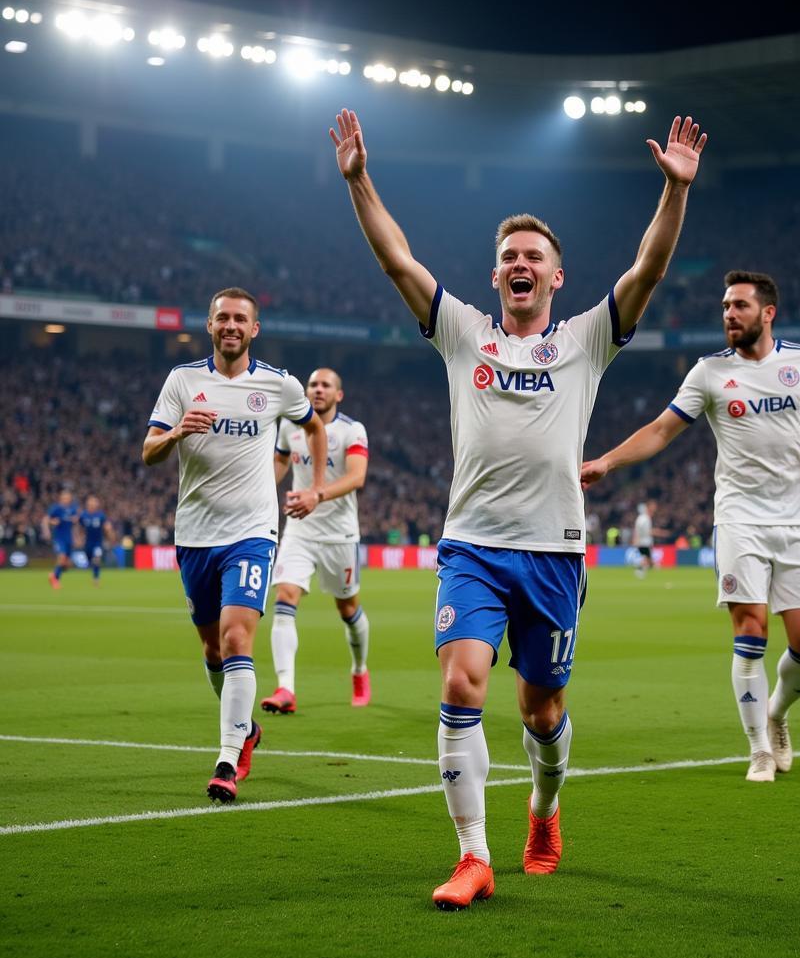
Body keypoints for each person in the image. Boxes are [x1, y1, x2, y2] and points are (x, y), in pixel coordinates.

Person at [330, 107, 707, 909]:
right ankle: (473, 856)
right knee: (462, 685)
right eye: (509, 258)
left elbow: (648, 270)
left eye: (534, 255)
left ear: (556, 277)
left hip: (555, 552)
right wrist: (361, 179)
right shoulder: (463, 332)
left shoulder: (586, 340)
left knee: (542, 710)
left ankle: (544, 808)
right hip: (472, 545)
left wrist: (673, 194)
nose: (520, 264)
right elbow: (397, 259)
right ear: (496, 276)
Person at [582, 271, 800, 783]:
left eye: (739, 306)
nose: (729, 314)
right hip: (738, 519)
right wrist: (608, 462)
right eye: (725, 307)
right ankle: (757, 749)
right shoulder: (709, 373)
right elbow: (662, 430)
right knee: (749, 632)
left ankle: (775, 714)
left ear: (767, 312)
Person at [143, 287, 327, 802]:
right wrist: (178, 431)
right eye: (222, 317)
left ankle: (227, 759)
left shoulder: (277, 384)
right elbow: (148, 451)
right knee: (211, 649)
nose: (230, 325)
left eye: (240, 319)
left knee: (236, 640)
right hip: (195, 534)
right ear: (209, 326)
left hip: (252, 532)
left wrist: (311, 486)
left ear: (254, 329)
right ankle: (246, 728)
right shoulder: (182, 381)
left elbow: (313, 428)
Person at [261, 367, 372, 713]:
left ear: (339, 395)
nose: (317, 390)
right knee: (285, 596)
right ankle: (285, 689)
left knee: (348, 608)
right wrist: (259, 490)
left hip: (339, 534)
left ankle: (359, 670)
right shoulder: (290, 426)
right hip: (299, 529)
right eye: (312, 384)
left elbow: (357, 477)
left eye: (325, 385)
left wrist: (316, 495)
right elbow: (279, 464)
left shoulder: (351, 430)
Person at [47, 488, 78, 589]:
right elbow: (47, 519)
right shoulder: (56, 509)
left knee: (66, 564)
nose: (66, 500)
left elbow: (75, 522)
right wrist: (52, 522)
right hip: (59, 538)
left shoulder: (73, 509)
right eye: (64, 498)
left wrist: (75, 522)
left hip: (69, 538)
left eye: (68, 498)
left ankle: (56, 577)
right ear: (61, 499)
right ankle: (54, 578)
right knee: (62, 557)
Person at [79, 495, 113, 585]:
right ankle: (93, 570)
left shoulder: (101, 515)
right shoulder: (83, 515)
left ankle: (96, 578)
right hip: (88, 543)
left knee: (97, 558)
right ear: (87, 504)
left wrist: (109, 534)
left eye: (94, 502)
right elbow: (80, 527)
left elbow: (106, 526)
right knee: (90, 559)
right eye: (91, 502)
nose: (93, 504)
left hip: (98, 542)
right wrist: (79, 538)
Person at [632, 501, 666, 577]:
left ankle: (644, 570)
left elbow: (637, 530)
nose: (654, 508)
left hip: (645, 542)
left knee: (647, 558)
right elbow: (642, 531)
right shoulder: (644, 518)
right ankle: (640, 571)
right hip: (644, 542)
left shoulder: (644, 518)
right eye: (653, 506)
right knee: (647, 558)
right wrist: (660, 532)